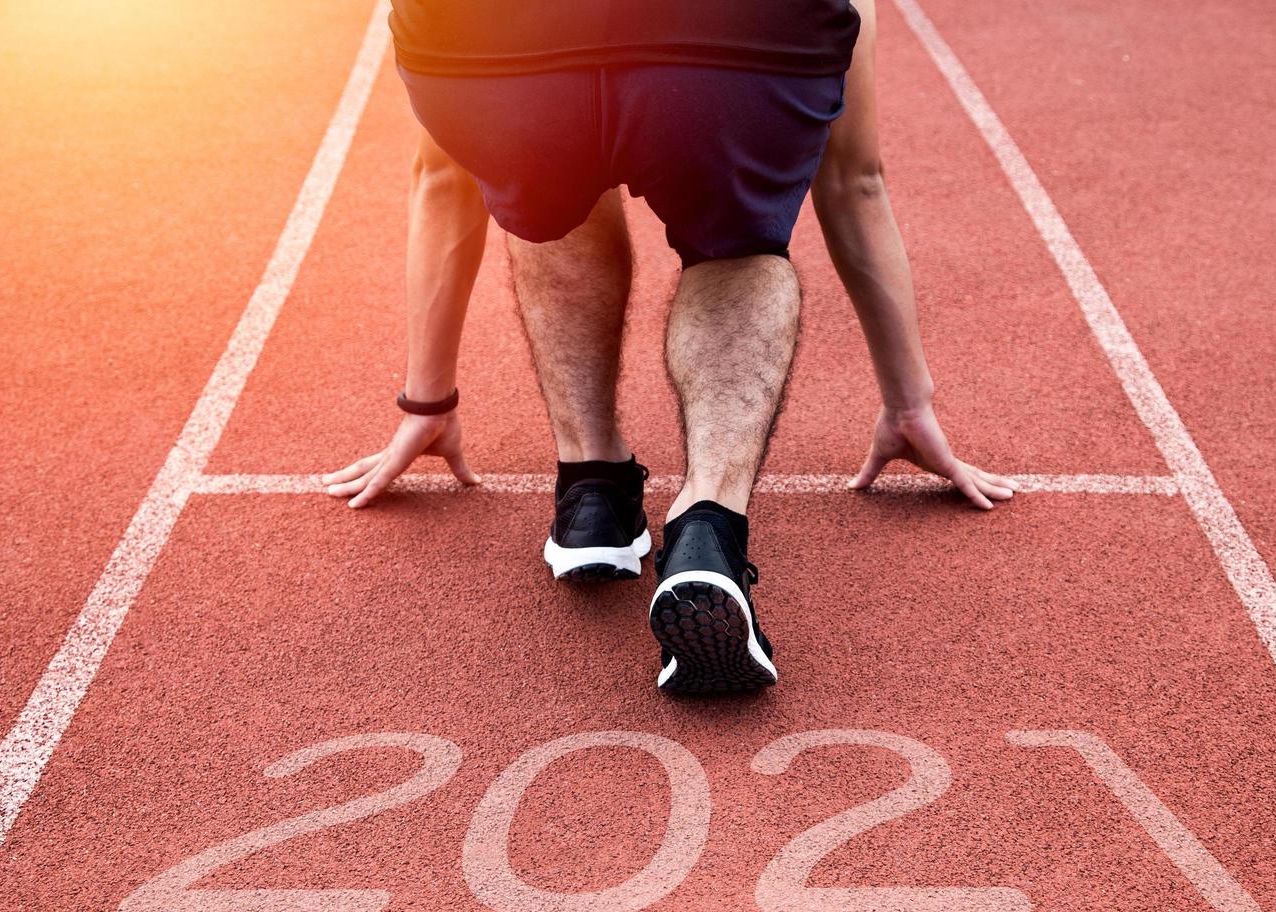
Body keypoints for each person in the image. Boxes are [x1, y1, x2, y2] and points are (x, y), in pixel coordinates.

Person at [325, 0, 1016, 694]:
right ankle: (708, 529)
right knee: (737, 249)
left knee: (548, 186)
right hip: (732, 40)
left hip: (493, 42)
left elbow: (444, 176)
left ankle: (591, 492)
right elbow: (855, 181)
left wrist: (428, 399)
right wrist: (906, 401)